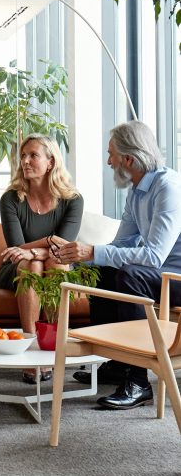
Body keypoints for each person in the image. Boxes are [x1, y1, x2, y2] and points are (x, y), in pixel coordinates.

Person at [56, 120, 181, 410]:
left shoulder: (168, 188)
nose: (108, 161)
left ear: (128, 158)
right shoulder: (136, 191)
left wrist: (94, 251)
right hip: (159, 277)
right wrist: (85, 256)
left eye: (111, 154)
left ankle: (139, 381)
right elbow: (121, 244)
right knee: (104, 268)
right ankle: (119, 360)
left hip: (175, 279)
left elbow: (153, 257)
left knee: (129, 275)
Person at [0, 134, 83, 384]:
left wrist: (38, 249)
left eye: (33, 155)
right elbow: (16, 249)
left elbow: (63, 248)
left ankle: (52, 347)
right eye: (23, 156)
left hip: (55, 262)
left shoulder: (72, 200)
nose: (25, 161)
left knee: (56, 262)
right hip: (16, 268)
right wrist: (48, 242)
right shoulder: (11, 199)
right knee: (31, 264)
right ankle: (30, 348)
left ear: (51, 162)